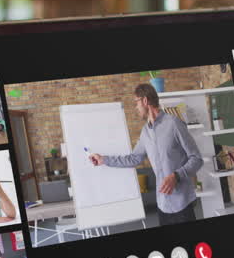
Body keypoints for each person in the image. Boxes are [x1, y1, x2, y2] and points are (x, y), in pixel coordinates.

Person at [87, 83, 204, 225]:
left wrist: (176, 176)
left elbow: (197, 159)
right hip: (162, 204)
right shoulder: (145, 133)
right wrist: (103, 160)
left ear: (145, 100)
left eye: (136, 102)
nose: (136, 107)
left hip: (182, 203)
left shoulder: (174, 124)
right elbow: (133, 159)